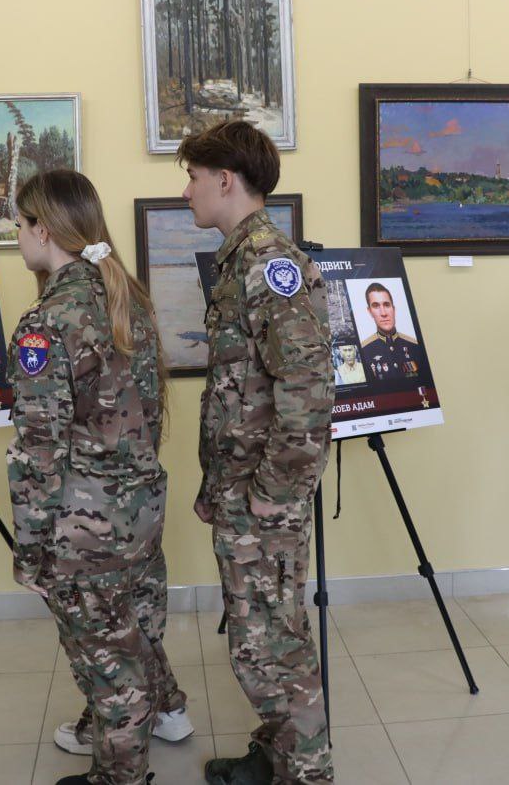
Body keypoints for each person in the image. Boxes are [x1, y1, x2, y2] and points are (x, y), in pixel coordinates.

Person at [7, 170, 191, 785]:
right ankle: (166, 712)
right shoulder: (125, 298)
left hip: (84, 529)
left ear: (44, 230)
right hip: (140, 511)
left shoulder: (46, 322)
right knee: (134, 634)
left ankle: (120, 777)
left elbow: (38, 452)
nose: (18, 236)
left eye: (21, 224)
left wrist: (30, 549)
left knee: (110, 667)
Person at [181, 120, 335, 785]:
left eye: (192, 177)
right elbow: (241, 390)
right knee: (263, 639)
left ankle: (307, 773)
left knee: (271, 646)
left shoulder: (270, 265)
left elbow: (308, 389)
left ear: (224, 180)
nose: (186, 191)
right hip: (242, 489)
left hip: (264, 497)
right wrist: (217, 487)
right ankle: (278, 754)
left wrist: (273, 494)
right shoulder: (240, 259)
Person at [358, 282, 422, 381]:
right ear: (370, 311)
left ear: (394, 309)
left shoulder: (415, 346)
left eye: (387, 305)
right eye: (376, 306)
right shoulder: (364, 351)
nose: (383, 313)